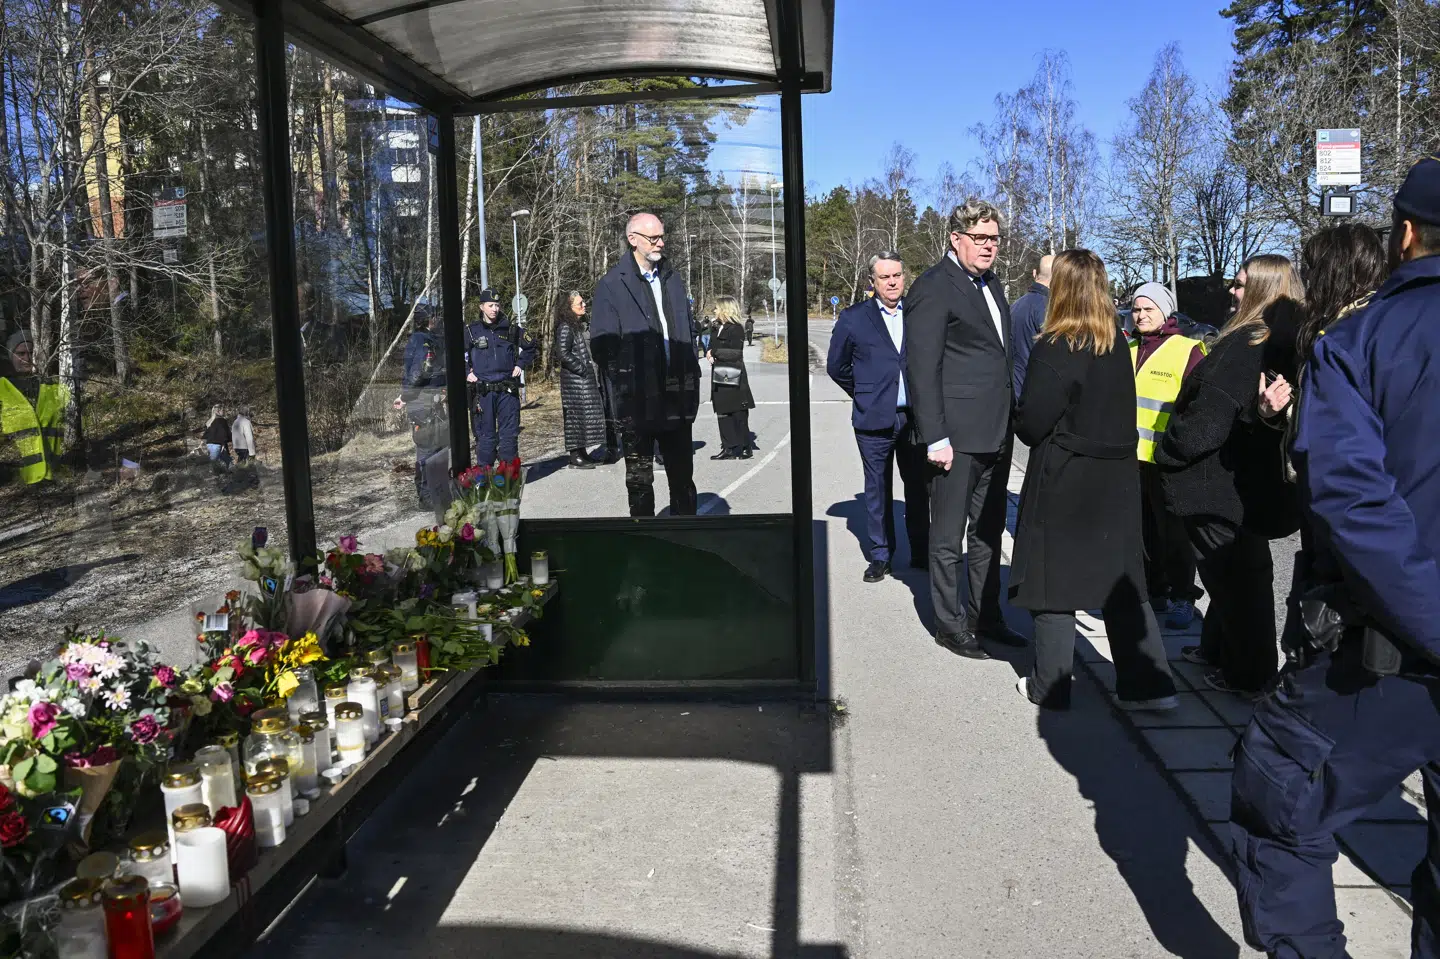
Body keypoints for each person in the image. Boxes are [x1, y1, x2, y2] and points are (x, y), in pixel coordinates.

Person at [1227, 156, 1440, 959]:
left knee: (1279, 803)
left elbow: (1353, 502)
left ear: (1407, 234)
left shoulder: (1363, 341)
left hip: (1388, 655)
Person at [1010, 249, 1178, 711]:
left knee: (1053, 581)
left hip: (1066, 475)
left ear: (1060, 289)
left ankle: (1052, 684)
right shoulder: (1115, 345)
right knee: (1122, 581)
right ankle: (1153, 688)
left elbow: (1032, 423)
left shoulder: (1056, 346)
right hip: (1117, 478)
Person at [1155, 255, 1302, 697]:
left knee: (1238, 584)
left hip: (1215, 486)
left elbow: (1206, 423)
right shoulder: (1275, 340)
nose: (1231, 293)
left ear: (1262, 292)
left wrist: (1169, 448)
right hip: (1240, 485)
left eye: (1240, 286)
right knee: (1232, 576)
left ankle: (1248, 676)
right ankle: (1217, 651)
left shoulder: (1244, 343)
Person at [905, 199, 1026, 659]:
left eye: (994, 239)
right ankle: (950, 624)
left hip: (995, 435)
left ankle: (985, 616)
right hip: (953, 441)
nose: (989, 246)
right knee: (948, 536)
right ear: (955, 239)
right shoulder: (934, 288)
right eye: (980, 238)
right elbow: (921, 369)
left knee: (989, 534)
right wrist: (935, 437)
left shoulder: (993, 285)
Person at [827, 251, 929, 583]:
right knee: (877, 489)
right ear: (872, 282)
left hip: (914, 418)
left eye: (897, 275)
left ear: (904, 277)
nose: (892, 282)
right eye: (884, 277)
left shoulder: (918, 313)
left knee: (917, 488)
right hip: (873, 418)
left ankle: (921, 551)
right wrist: (864, 393)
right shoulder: (854, 318)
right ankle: (881, 555)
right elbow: (836, 366)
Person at [590, 212, 701, 517]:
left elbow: (687, 332)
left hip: (676, 397)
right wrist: (627, 380)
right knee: (640, 483)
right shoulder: (612, 285)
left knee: (682, 480)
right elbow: (602, 346)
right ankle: (646, 543)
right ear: (633, 240)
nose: (661, 243)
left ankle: (687, 543)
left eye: (662, 236)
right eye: (654, 238)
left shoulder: (672, 278)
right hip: (637, 403)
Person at [1127, 281, 1206, 629]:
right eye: (1137, 309)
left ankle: (1182, 596)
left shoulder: (1187, 350)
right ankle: (1152, 591)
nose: (1142, 315)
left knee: (1175, 535)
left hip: (1168, 460)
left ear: (1166, 312)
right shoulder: (1126, 347)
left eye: (1149, 309)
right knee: (1140, 532)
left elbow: (1198, 407)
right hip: (1131, 460)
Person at [465, 288, 534, 467]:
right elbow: (455, 354)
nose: (494, 309)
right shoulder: (471, 331)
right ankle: (485, 479)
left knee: (509, 436)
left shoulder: (510, 329)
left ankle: (508, 478)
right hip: (483, 393)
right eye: (490, 305)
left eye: (497, 305)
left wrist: (520, 365)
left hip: (507, 392)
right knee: (485, 438)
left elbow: (530, 346)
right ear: (482, 307)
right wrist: (467, 372)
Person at [0, 330, 65, 486]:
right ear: (10, 355)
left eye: (31, 352)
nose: (26, 359)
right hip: (15, 483)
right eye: (20, 354)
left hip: (53, 479)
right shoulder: (2, 388)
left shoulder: (51, 387)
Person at [553, 291, 607, 469]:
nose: (584, 306)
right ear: (569, 307)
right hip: (574, 382)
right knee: (576, 418)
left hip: (581, 381)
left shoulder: (576, 325)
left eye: (583, 302)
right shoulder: (566, 327)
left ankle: (582, 453)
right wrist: (582, 369)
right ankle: (575, 456)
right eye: (579, 303)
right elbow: (563, 353)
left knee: (582, 417)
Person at [401, 308, 448, 503]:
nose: (438, 319)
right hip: (423, 400)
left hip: (426, 399)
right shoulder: (423, 341)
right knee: (428, 449)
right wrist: (407, 395)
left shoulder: (423, 339)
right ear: (428, 321)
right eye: (435, 317)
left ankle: (433, 493)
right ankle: (427, 496)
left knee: (436, 446)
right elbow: (420, 370)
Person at [707, 295, 755, 461]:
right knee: (722, 412)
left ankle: (744, 445)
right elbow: (711, 346)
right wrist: (709, 351)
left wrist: (714, 353)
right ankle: (728, 447)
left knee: (737, 411)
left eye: (717, 307)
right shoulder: (716, 327)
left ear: (725, 309)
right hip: (719, 372)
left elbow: (735, 353)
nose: (714, 310)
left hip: (733, 373)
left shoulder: (736, 328)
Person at [1009, 253, 1053, 397]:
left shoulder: (1015, 305)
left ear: (1034, 273)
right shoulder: (1050, 309)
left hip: (1013, 388)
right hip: (1034, 392)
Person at [202, 405, 232, 469]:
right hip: (217, 445)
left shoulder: (210, 421)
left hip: (209, 444)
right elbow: (224, 433)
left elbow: (207, 434)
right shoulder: (222, 421)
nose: (224, 412)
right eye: (223, 410)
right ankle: (211, 477)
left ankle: (227, 475)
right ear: (218, 411)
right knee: (213, 464)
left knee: (228, 461)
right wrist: (224, 443)